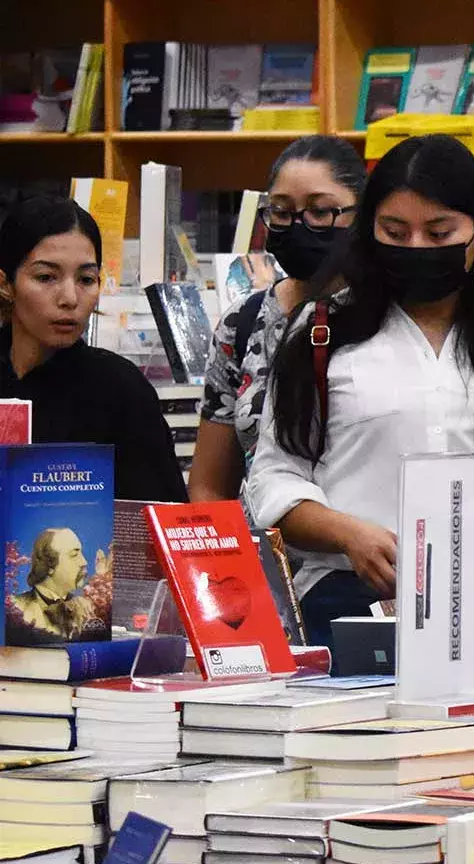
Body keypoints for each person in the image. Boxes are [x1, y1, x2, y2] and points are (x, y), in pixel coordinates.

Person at [246, 135, 474, 645]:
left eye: (439, 233)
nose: (416, 248)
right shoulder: (322, 331)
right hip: (351, 607)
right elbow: (274, 476)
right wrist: (348, 534)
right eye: (395, 231)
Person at [191, 135, 366, 503]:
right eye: (282, 212)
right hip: (259, 553)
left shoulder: (387, 317)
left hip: (365, 548)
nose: (299, 226)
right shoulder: (242, 322)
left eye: (320, 211)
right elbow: (209, 485)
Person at [0, 195, 183, 502]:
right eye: (46, 277)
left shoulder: (121, 389)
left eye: (86, 279)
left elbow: (164, 520)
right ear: (6, 283)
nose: (70, 298)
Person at [9, 528, 99, 644]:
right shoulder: (16, 608)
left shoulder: (85, 607)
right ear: (49, 565)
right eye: (74, 555)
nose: (84, 562)